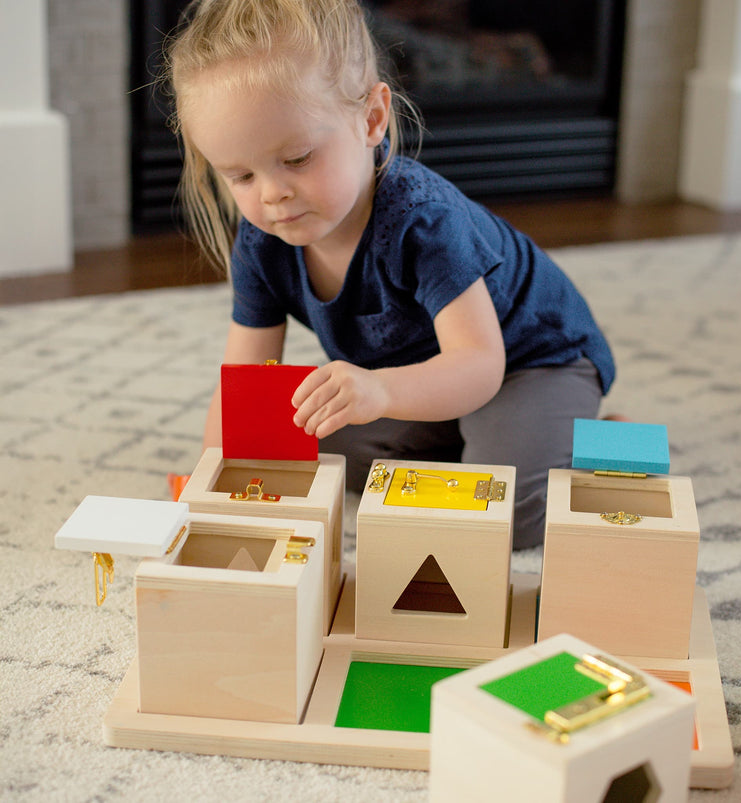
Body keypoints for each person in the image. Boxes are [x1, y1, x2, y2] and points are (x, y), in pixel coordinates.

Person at [166, 0, 615, 549]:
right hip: (418, 379)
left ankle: (572, 433)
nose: (271, 192)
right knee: (300, 446)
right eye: (239, 174)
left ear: (372, 119)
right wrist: (216, 488)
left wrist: (378, 389)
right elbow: (244, 384)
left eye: (299, 158)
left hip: (532, 361)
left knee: (505, 518)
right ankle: (495, 443)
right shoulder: (263, 239)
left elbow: (479, 364)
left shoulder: (422, 219)